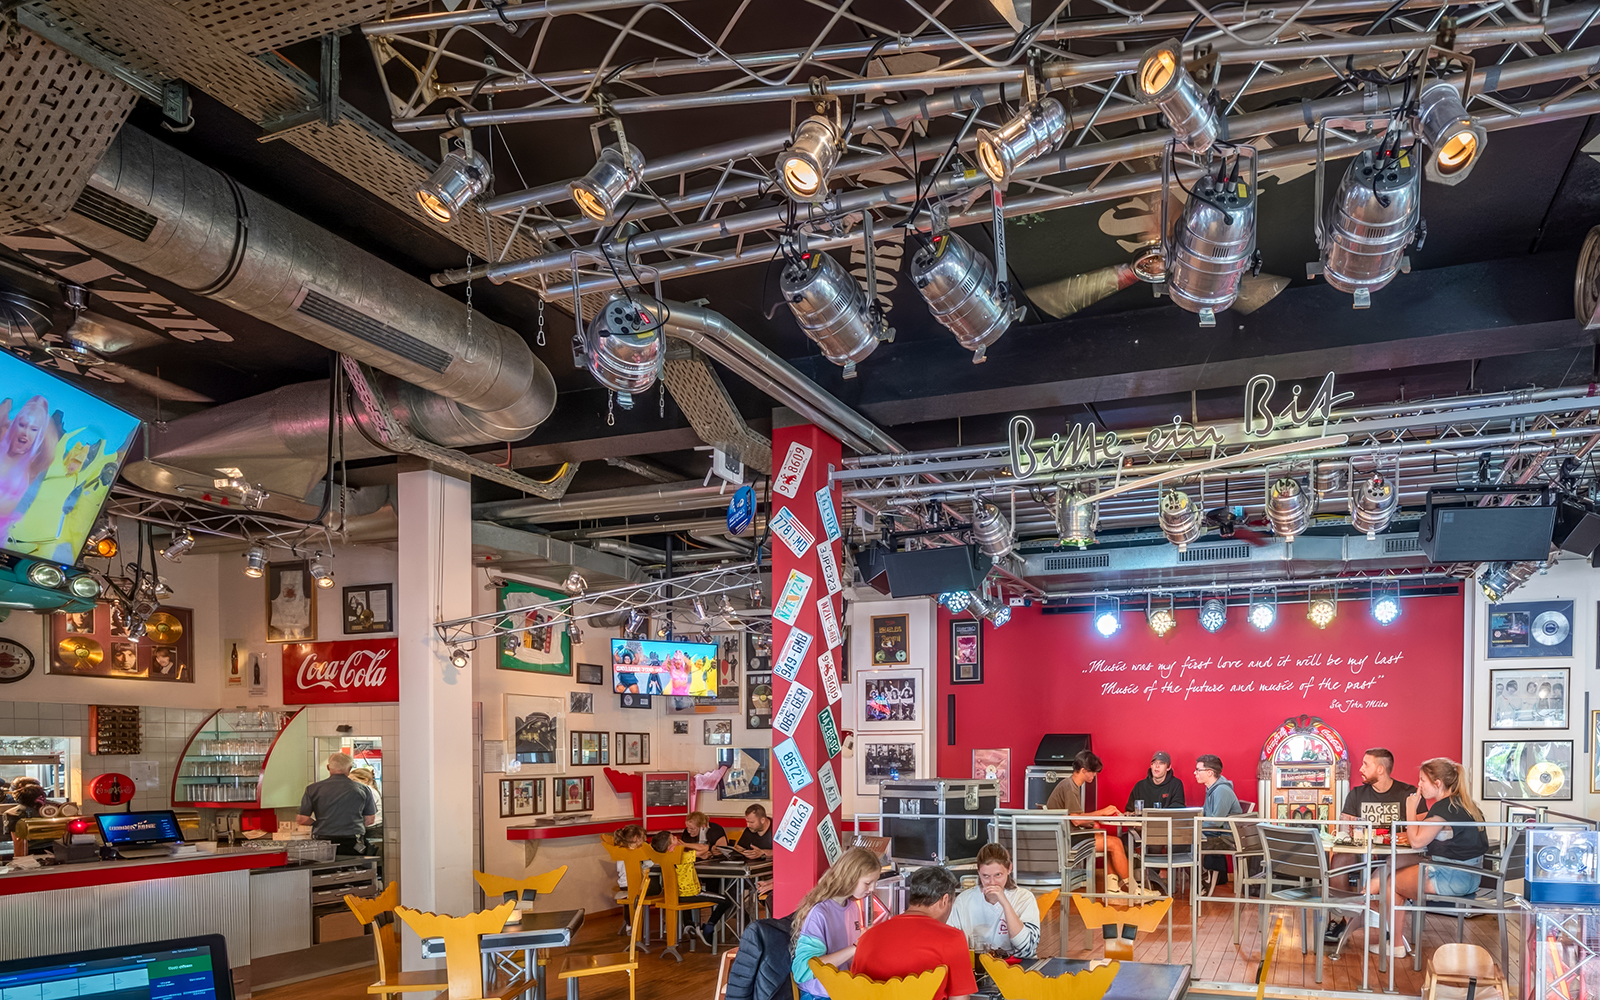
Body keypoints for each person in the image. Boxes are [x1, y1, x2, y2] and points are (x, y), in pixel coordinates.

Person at [1360, 757, 1488, 957]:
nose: (1418, 785)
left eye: (1422, 780)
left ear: (1437, 784)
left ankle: (1393, 943)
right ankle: (1368, 896)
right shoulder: (1465, 805)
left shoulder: (1443, 808)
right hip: (1471, 876)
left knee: (1393, 883)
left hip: (1452, 878)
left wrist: (1411, 807)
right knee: (1396, 862)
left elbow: (1418, 842)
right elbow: (1433, 837)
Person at [850, 866, 977, 1000]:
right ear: (945, 900)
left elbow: (855, 991)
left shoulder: (867, 937)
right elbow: (960, 998)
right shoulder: (952, 938)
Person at [1043, 751, 1146, 894]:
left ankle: (1113, 888)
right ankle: (1135, 890)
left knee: (1110, 842)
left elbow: (1074, 818)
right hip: (1066, 840)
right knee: (1115, 843)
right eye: (1093, 772)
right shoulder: (1070, 788)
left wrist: (1092, 823)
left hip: (1065, 835)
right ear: (1084, 771)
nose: (1094, 775)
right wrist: (1101, 812)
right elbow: (1076, 819)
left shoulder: (1069, 785)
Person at [791, 846, 887, 997]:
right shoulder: (820, 913)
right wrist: (856, 947)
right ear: (850, 877)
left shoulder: (852, 908)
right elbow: (802, 970)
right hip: (820, 994)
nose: (872, 889)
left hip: (843, 988)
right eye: (868, 883)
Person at [947, 843, 1041, 958]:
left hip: (1016, 968)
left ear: (1009, 868)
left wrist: (1004, 903)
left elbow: (1027, 949)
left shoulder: (1024, 898)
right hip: (977, 967)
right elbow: (951, 945)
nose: (992, 882)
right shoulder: (963, 900)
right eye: (985, 876)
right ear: (978, 872)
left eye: (998, 875)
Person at [651, 829, 734, 948]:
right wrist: (684, 844)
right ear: (671, 847)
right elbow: (705, 848)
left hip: (675, 894)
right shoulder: (683, 856)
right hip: (692, 893)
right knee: (726, 900)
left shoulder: (663, 858)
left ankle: (689, 925)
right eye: (674, 839)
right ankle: (709, 927)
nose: (677, 838)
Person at [296, 752, 377, 856]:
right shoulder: (363, 789)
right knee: (353, 869)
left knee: (325, 869)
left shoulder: (313, 789)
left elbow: (303, 819)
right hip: (352, 841)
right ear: (350, 768)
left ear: (328, 767)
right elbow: (370, 820)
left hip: (323, 839)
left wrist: (320, 824)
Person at [1196, 754, 1243, 895]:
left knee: (1188, 842)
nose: (1195, 773)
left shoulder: (1221, 790)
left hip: (1226, 838)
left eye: (1198, 770)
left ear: (1209, 772)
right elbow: (1206, 814)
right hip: (1218, 833)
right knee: (1188, 839)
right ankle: (1202, 878)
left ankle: (1202, 880)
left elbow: (1216, 822)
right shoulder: (1211, 789)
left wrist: (1195, 823)